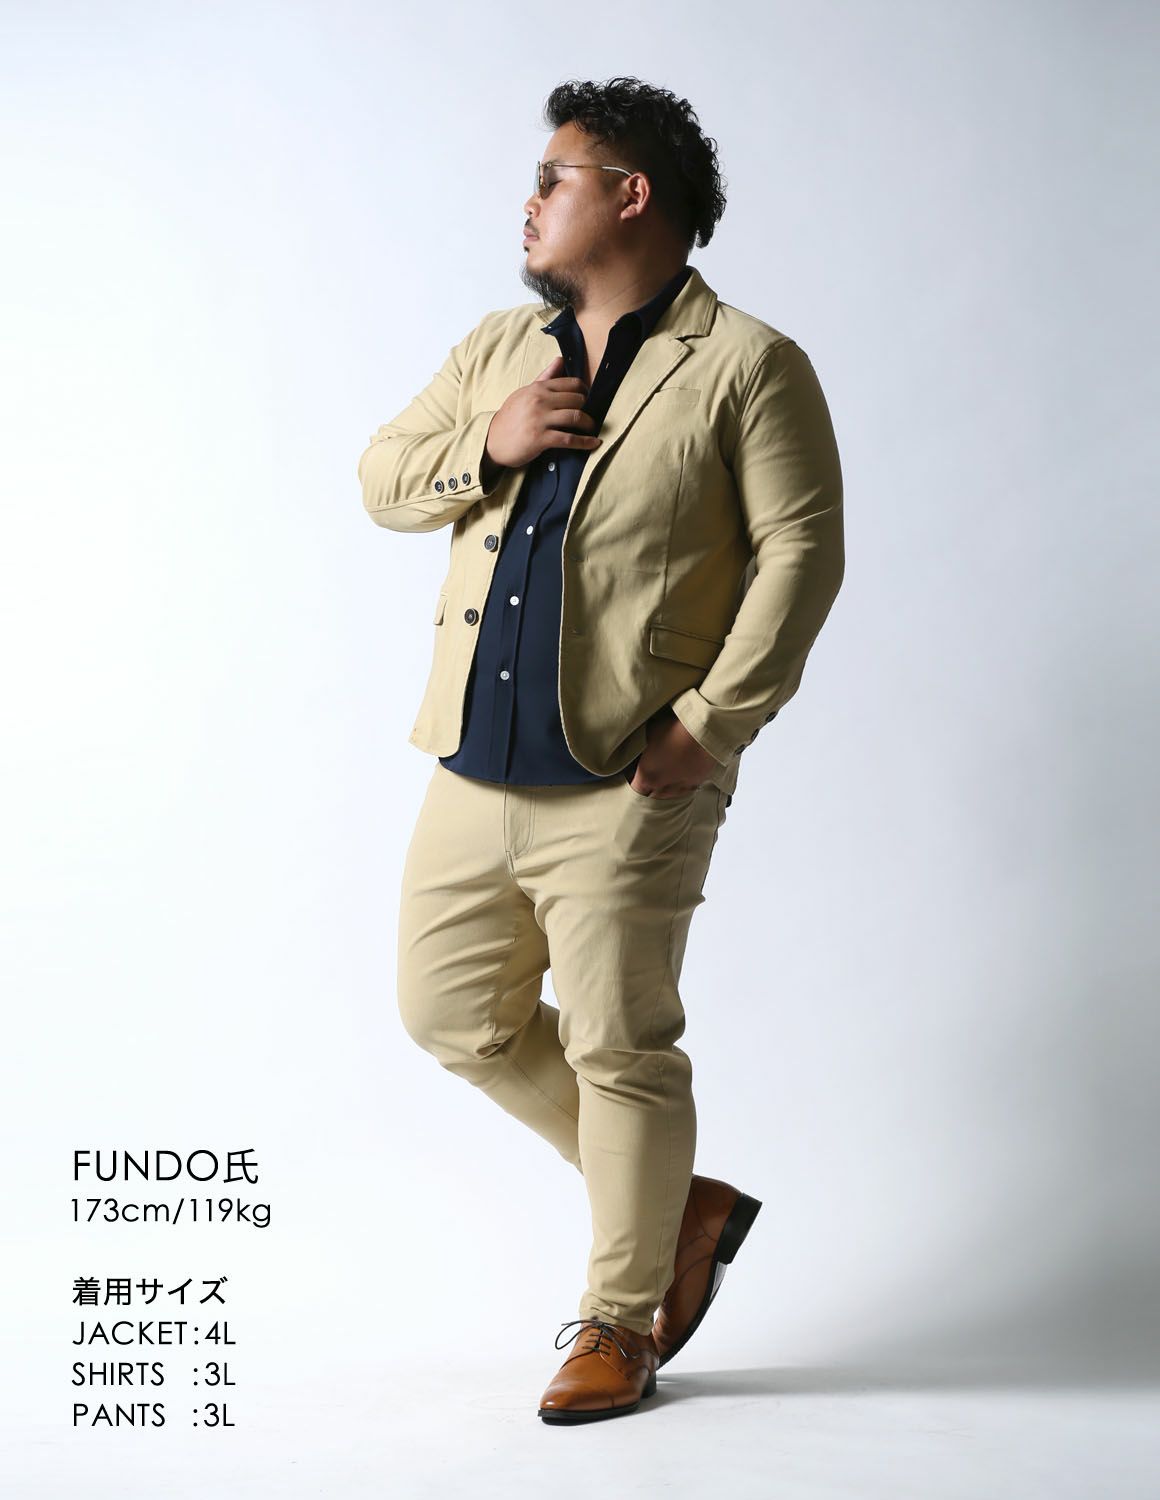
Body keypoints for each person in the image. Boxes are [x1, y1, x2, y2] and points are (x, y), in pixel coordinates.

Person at [356, 75, 845, 1424]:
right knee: (448, 1013)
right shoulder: (497, 349)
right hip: (473, 755)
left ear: (630, 195)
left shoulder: (747, 364)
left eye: (553, 176)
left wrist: (710, 726)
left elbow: (803, 552)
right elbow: (382, 477)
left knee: (623, 1047)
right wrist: (489, 442)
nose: (529, 200)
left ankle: (618, 1322)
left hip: (632, 772)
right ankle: (678, 1208)